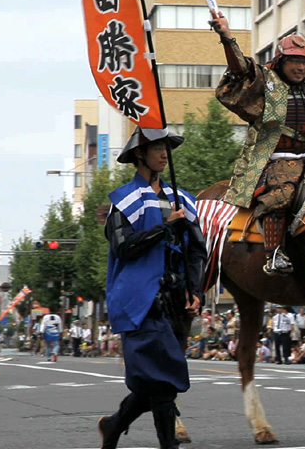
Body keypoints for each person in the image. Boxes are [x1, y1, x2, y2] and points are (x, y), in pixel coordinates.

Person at [210, 14, 305, 276]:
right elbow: (240, 69)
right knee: (281, 194)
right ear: (281, 62)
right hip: (274, 161)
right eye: (295, 60)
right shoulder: (265, 84)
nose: (300, 67)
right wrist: (226, 37)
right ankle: (274, 254)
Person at [97, 127, 207, 449]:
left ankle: (114, 426)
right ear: (140, 155)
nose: (164, 154)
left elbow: (196, 250)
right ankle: (167, 446)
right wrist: (166, 227)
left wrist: (196, 290)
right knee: (162, 384)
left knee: (158, 380)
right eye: (157, 147)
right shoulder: (123, 201)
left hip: (175, 302)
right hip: (140, 302)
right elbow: (124, 248)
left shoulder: (182, 200)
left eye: (166, 148)